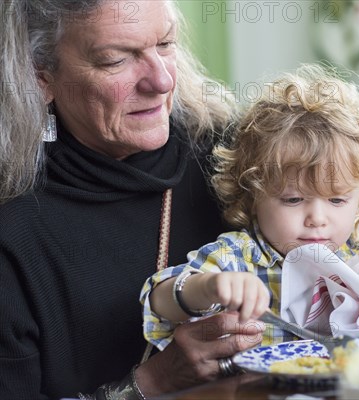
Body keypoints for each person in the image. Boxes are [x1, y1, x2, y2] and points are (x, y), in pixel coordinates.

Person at [0, 1, 266, 399]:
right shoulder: (13, 232)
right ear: (41, 77)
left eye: (165, 43)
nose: (161, 81)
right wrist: (153, 382)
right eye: (115, 60)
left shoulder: (237, 159)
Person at [140, 64, 359, 348]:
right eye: (293, 199)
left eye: (337, 200)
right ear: (252, 192)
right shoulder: (236, 258)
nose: (317, 218)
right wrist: (207, 288)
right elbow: (159, 301)